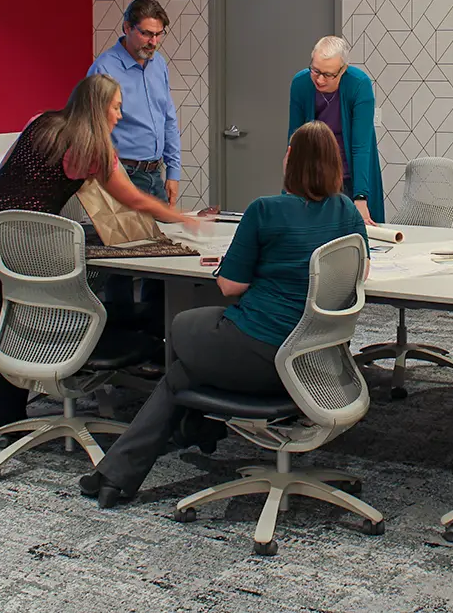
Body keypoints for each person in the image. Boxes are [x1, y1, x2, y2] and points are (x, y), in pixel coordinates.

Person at [79, 120, 369, 509]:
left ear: (290, 162)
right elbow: (357, 271)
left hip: (264, 355)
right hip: (317, 364)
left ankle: (139, 461)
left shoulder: (265, 211)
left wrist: (252, 264)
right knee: (186, 368)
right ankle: (142, 458)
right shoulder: (347, 212)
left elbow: (230, 286)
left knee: (181, 333)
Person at [0, 74, 199, 434]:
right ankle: (4, 416)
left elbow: (5, 167)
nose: (119, 116)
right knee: (19, 318)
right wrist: (180, 218)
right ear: (98, 108)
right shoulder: (95, 149)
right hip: (24, 238)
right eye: (116, 107)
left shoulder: (41, 122)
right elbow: (134, 199)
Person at [88, 0, 181, 321]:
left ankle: (155, 331)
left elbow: (168, 118)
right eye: (146, 34)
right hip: (121, 173)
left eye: (158, 34)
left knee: (161, 255)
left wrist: (174, 171)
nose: (153, 42)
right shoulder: (104, 69)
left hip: (154, 172)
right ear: (127, 28)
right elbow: (94, 129)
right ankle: (122, 333)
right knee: (122, 262)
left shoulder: (159, 65)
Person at [288, 36, 385, 225]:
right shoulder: (301, 83)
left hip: (351, 177)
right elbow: (295, 140)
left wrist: (360, 197)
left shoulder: (358, 84)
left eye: (328, 74)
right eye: (315, 71)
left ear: (343, 70)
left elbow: (361, 146)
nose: (320, 79)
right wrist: (292, 187)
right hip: (314, 175)